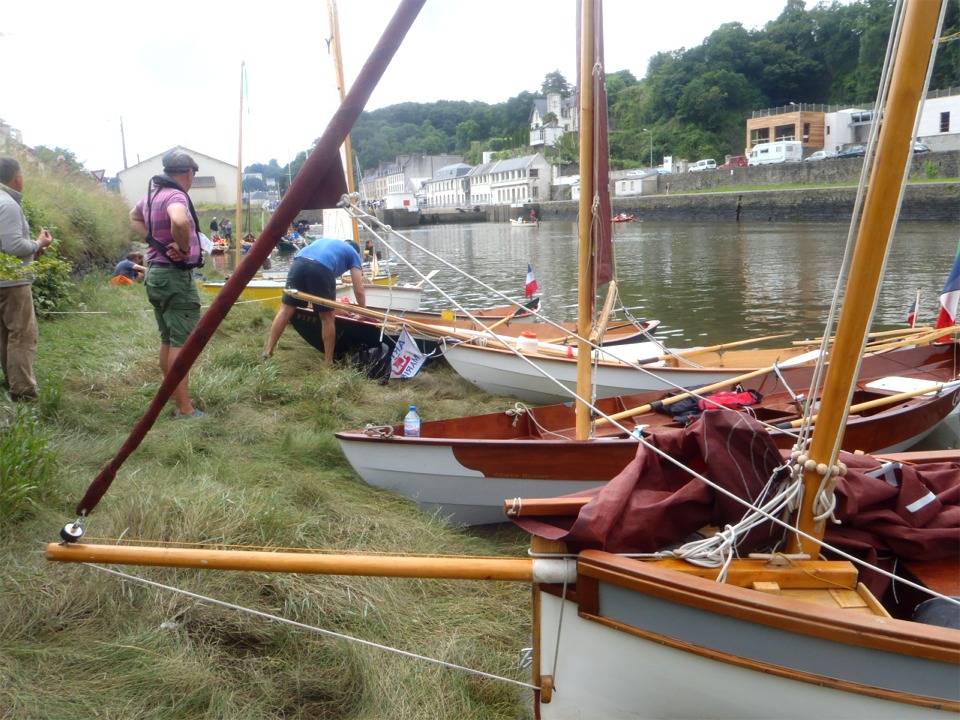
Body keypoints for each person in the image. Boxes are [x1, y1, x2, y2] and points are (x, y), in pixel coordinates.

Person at [128, 149, 205, 419]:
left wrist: (154, 242)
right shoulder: (175, 195)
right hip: (174, 275)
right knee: (181, 343)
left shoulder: (151, 195)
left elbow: (134, 216)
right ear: (188, 173)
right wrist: (183, 247)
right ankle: (184, 408)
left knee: (168, 339)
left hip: (155, 274)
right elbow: (180, 219)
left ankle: (173, 397)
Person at [263, 237, 366, 366]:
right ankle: (328, 361)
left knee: (285, 310)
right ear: (358, 253)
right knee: (327, 317)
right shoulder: (353, 254)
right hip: (321, 267)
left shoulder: (330, 243)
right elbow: (359, 289)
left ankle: (268, 352)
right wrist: (363, 312)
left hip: (298, 263)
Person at [0, 156, 54, 402]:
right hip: (13, 282)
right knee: (22, 335)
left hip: (4, 279)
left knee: (6, 335)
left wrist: (33, 248)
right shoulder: (8, 204)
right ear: (18, 178)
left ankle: (11, 384)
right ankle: (23, 393)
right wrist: (39, 242)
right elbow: (13, 245)